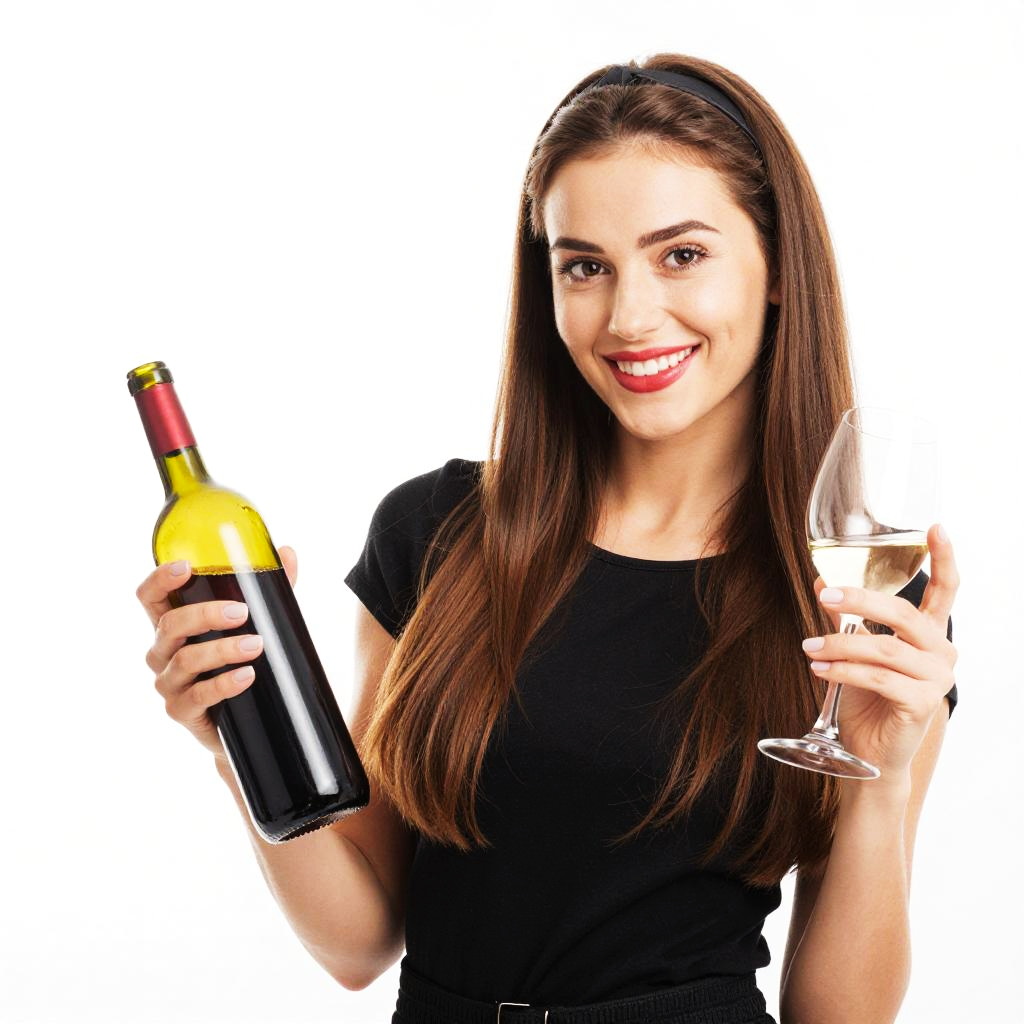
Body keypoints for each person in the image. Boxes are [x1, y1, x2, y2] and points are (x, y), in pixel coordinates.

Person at [135, 54, 960, 1024]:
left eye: (681, 255)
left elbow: (838, 1017)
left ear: (777, 270)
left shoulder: (860, 602)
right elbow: (357, 943)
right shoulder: (432, 534)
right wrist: (241, 736)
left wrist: (880, 781)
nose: (629, 314)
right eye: (584, 265)